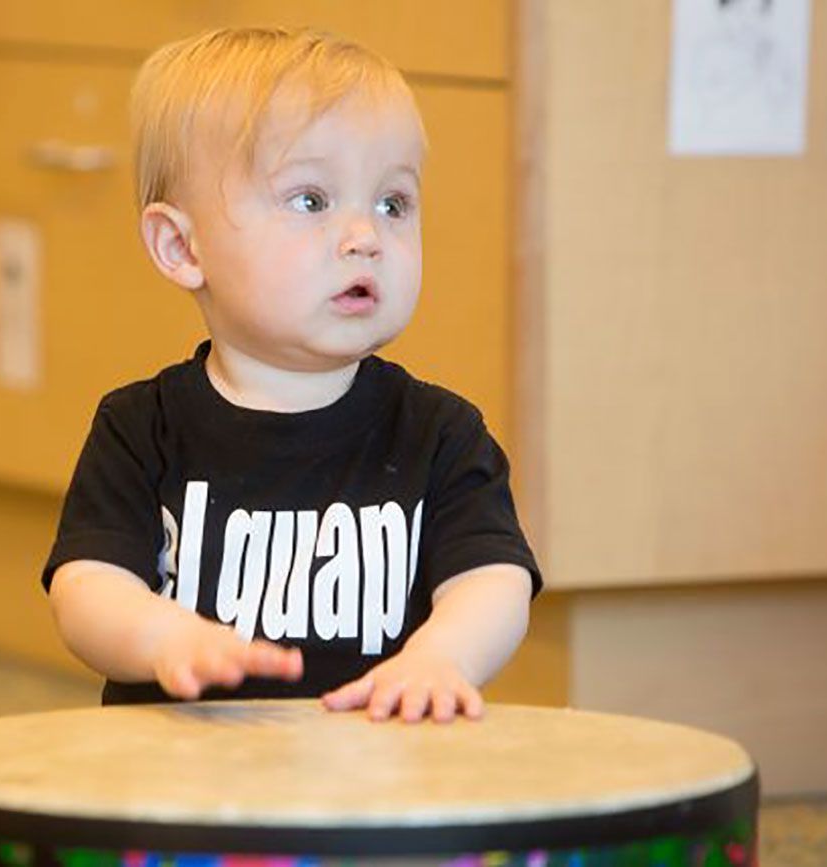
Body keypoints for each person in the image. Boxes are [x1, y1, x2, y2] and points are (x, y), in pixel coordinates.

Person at [42, 26, 542, 723]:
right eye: (310, 200)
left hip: (375, 773)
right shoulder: (139, 428)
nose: (364, 235)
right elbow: (86, 585)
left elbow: (492, 577)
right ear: (181, 246)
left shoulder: (439, 432)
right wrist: (163, 637)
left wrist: (442, 656)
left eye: (392, 203)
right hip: (183, 773)